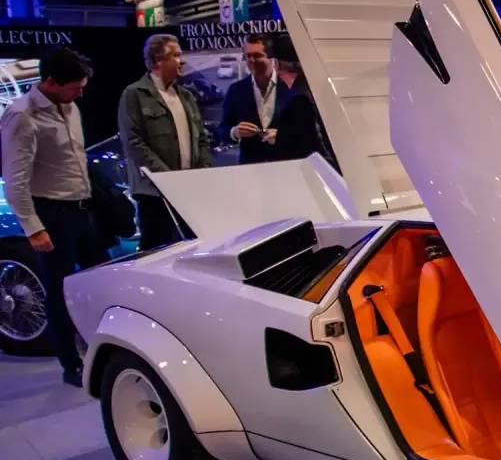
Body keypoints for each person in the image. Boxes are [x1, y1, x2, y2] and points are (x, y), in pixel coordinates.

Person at [0, 47, 107, 386]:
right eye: (75, 86)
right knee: (59, 293)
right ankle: (71, 365)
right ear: (51, 82)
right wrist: (34, 229)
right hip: (52, 214)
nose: (81, 93)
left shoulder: (71, 106)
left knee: (103, 280)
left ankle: (104, 348)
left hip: (82, 209)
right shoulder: (22, 116)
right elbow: (14, 181)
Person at [118, 34, 210, 250]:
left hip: (189, 190)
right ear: (158, 60)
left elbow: (202, 138)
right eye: (176, 55)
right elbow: (134, 142)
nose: (182, 61)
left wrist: (203, 172)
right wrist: (167, 179)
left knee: (194, 249)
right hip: (154, 193)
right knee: (157, 250)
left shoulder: (186, 96)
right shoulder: (134, 94)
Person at [264, 34, 336, 167]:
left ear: (277, 64)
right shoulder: (316, 89)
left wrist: (279, 139)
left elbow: (309, 148)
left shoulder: (299, 101)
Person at [217, 33, 287, 164]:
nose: (251, 60)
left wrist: (282, 135)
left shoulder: (288, 86)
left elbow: (306, 130)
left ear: (271, 57)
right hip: (250, 167)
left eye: (257, 55)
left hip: (286, 164)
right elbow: (221, 131)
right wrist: (235, 132)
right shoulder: (236, 90)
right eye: (248, 56)